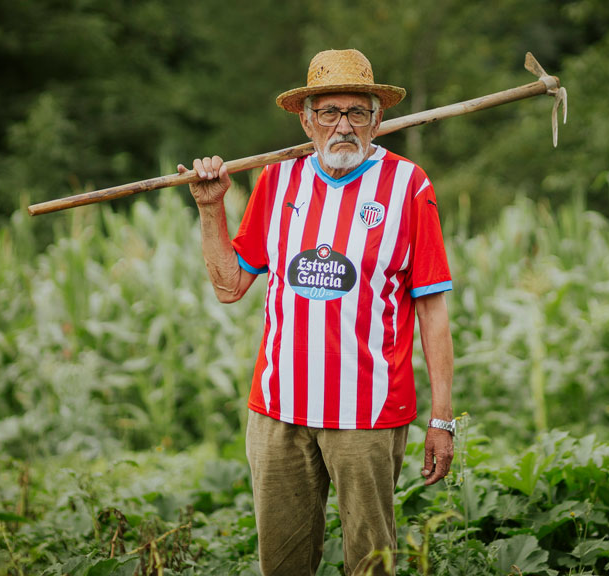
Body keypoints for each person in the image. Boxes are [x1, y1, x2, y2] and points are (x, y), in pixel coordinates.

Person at [177, 48, 455, 576]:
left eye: (357, 112)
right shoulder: (278, 182)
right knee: (281, 565)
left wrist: (443, 419)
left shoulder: (408, 187)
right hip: (278, 411)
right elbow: (229, 286)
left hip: (368, 415)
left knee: (371, 564)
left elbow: (433, 309)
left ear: (379, 119)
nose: (343, 125)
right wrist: (210, 207)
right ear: (306, 120)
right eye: (329, 112)